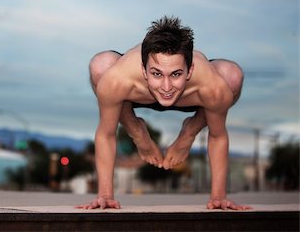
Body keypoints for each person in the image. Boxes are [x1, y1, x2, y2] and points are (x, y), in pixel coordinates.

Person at [78, 16, 251, 210]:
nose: (166, 86)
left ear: (190, 70)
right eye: (157, 73)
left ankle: (190, 129)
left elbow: (218, 136)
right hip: (135, 94)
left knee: (232, 76)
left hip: (190, 96)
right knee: (101, 65)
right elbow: (106, 133)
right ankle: (136, 128)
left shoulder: (211, 86)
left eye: (176, 74)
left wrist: (218, 197)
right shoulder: (119, 80)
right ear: (144, 71)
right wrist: (105, 195)